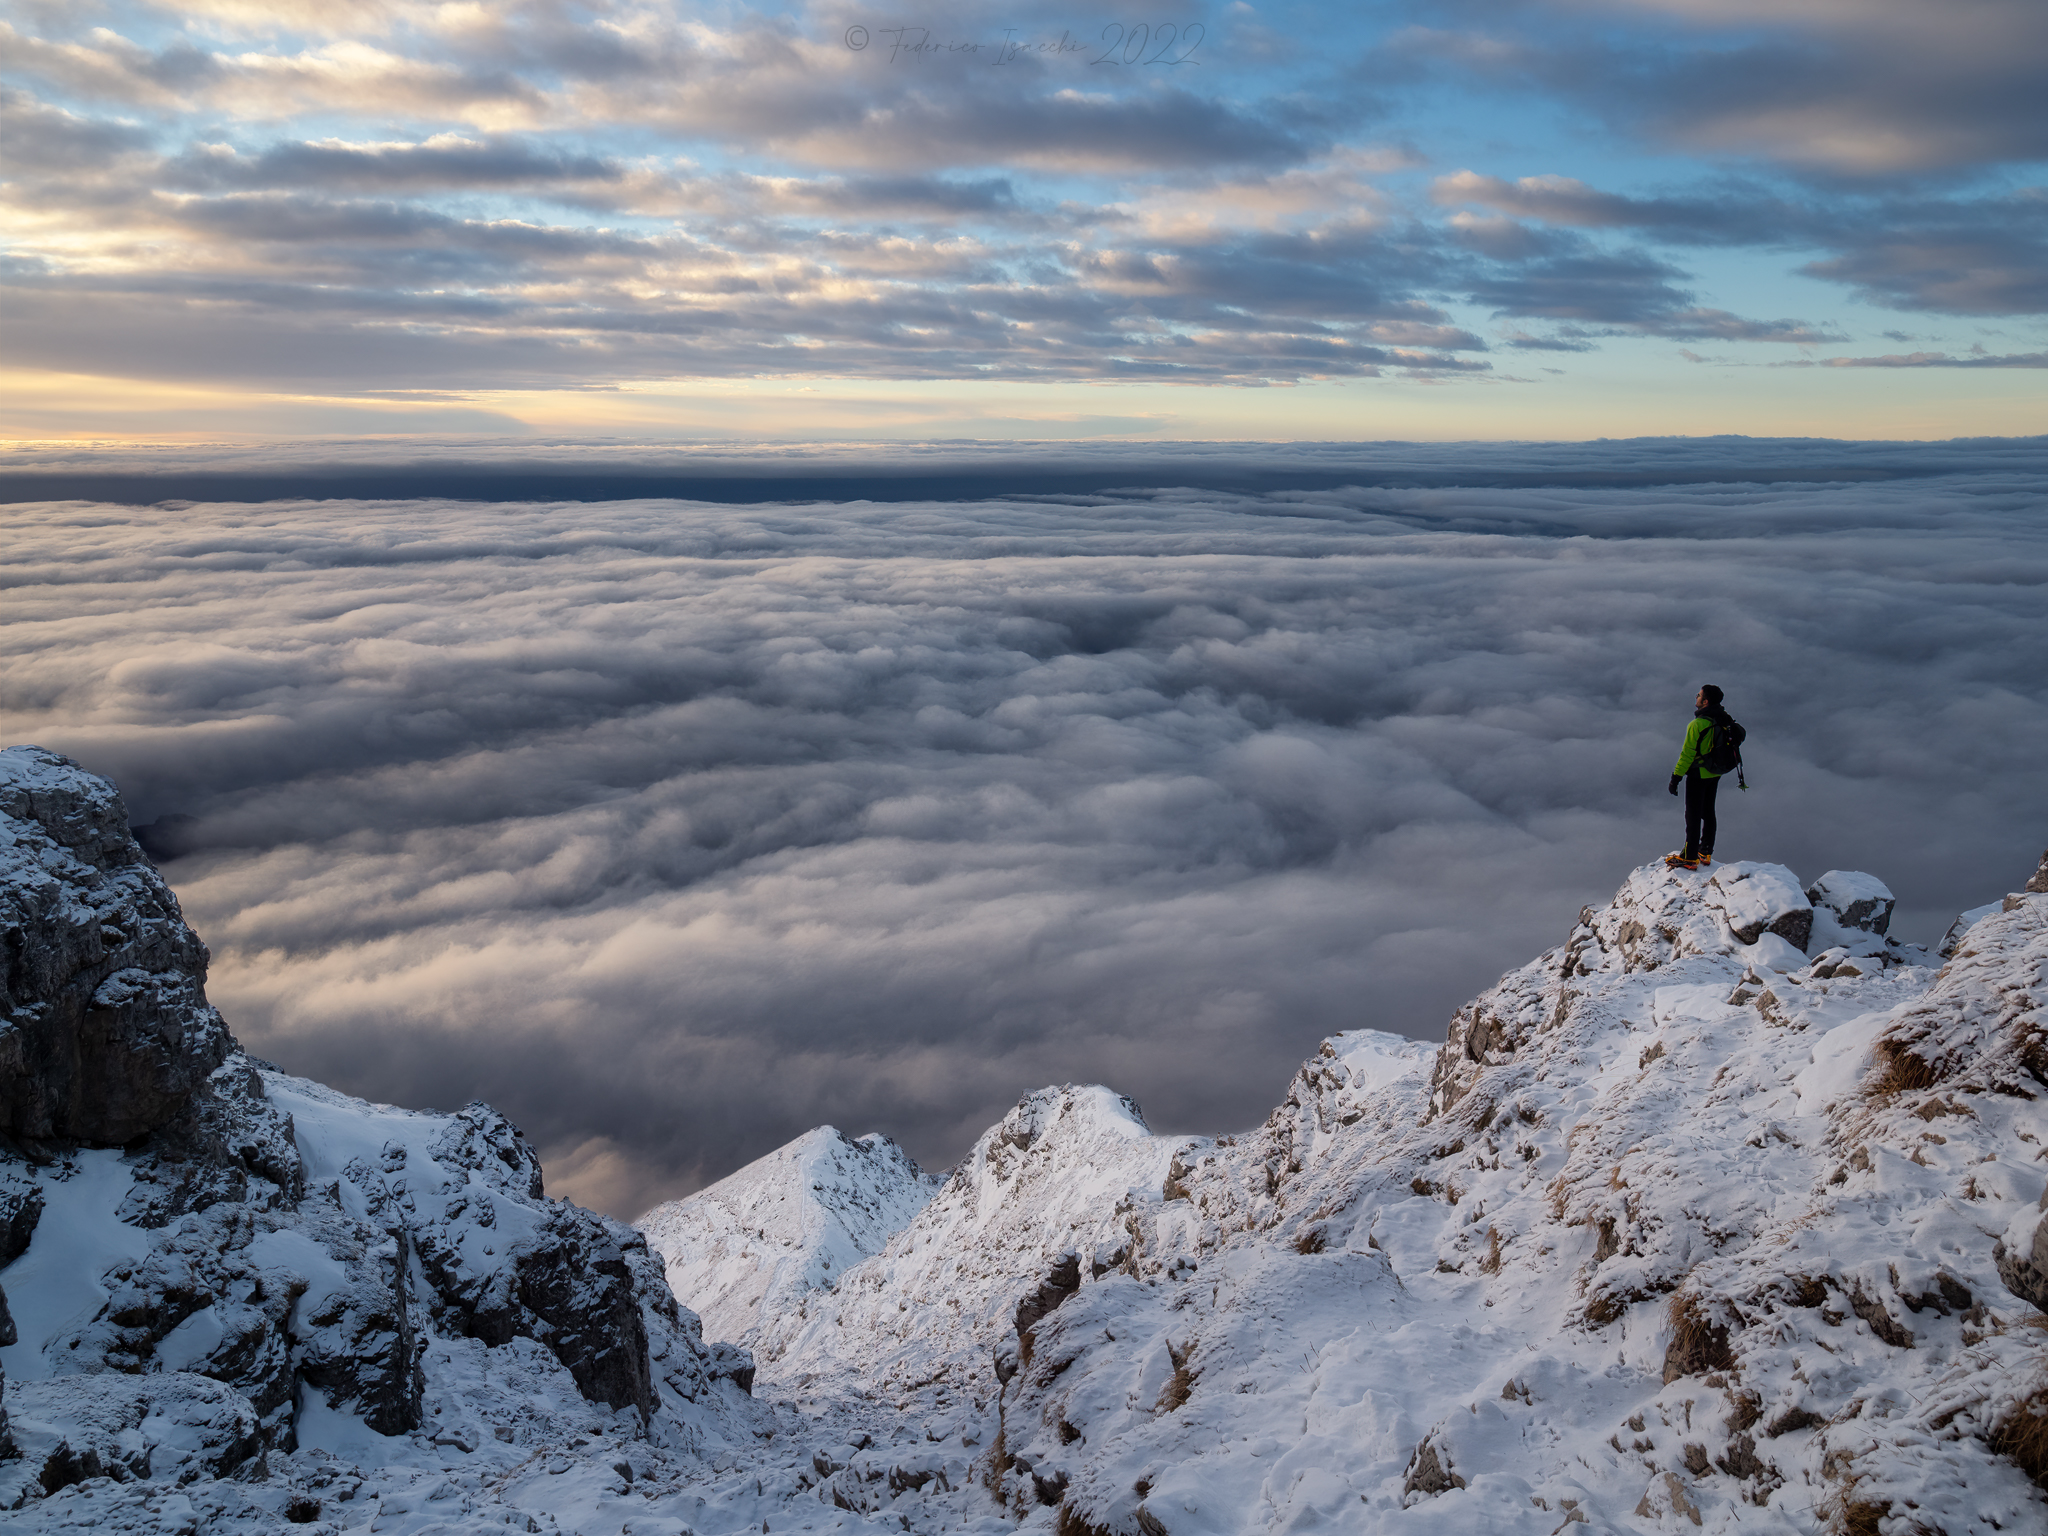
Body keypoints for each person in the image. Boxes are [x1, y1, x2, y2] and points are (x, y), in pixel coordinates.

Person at [1665, 684, 1731, 870]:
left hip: (1698, 774)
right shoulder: (1722, 718)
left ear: (1705, 701)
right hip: (1715, 772)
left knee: (1692, 815)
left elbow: (1687, 754)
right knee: (1708, 811)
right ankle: (1706, 851)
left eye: (1699, 695)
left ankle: (1689, 857)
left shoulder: (1697, 724)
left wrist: (1675, 778)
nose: (1696, 697)